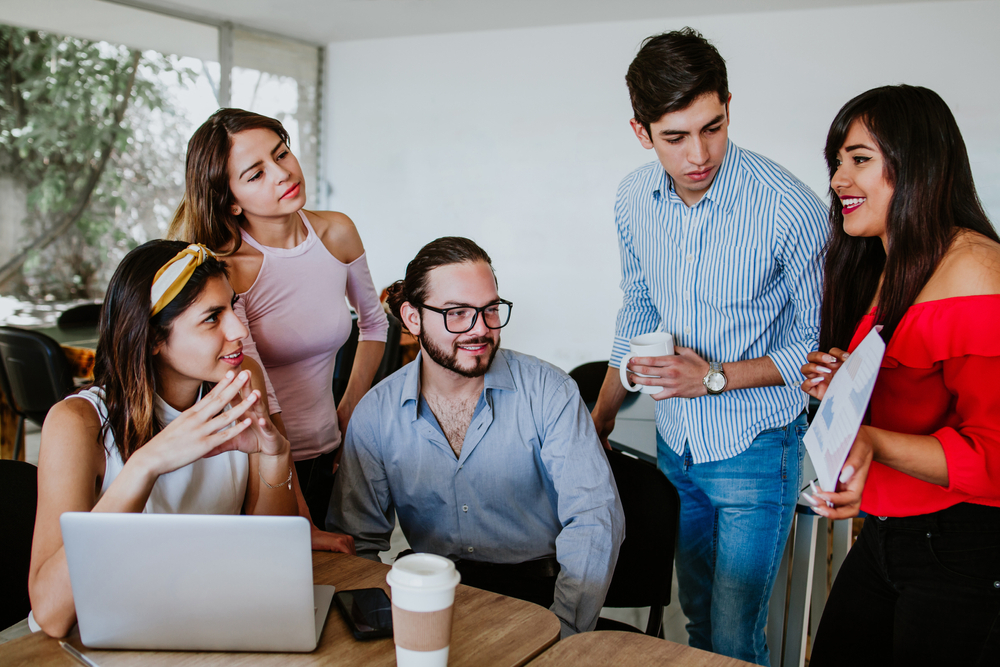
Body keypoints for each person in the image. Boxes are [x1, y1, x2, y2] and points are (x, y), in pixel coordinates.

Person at [588, 29, 828, 664]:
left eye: (713, 127)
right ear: (641, 132)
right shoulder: (633, 199)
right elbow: (636, 304)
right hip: (676, 443)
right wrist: (604, 412)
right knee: (694, 617)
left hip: (757, 445)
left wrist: (714, 377)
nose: (700, 153)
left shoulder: (790, 209)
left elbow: (818, 350)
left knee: (732, 633)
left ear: (728, 105)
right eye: (675, 136)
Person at [327, 236, 624, 637]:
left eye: (490, 310)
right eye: (457, 313)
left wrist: (565, 632)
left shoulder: (549, 391)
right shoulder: (377, 414)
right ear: (413, 318)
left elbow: (594, 517)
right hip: (432, 592)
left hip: (538, 595)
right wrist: (380, 628)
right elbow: (356, 543)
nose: (480, 329)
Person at [801, 85, 1000, 666]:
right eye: (837, 162)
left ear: (919, 165)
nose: (839, 180)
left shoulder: (974, 271)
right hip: (891, 533)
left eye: (859, 159)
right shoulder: (894, 265)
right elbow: (911, 388)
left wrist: (871, 440)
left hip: (962, 542)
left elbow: (993, 453)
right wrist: (846, 387)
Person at [27, 240, 298, 638]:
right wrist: (145, 465)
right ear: (153, 338)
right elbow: (51, 615)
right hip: (99, 635)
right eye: (212, 318)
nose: (239, 329)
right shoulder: (77, 423)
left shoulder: (241, 382)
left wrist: (276, 458)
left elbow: (272, 557)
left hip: (198, 618)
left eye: (232, 307)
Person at [169, 109, 388, 550]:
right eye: (256, 173)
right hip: (259, 460)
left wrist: (350, 413)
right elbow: (257, 388)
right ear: (231, 199)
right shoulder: (229, 270)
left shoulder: (337, 232)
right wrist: (286, 470)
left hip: (337, 445)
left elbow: (373, 322)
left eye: (282, 153)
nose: (283, 173)